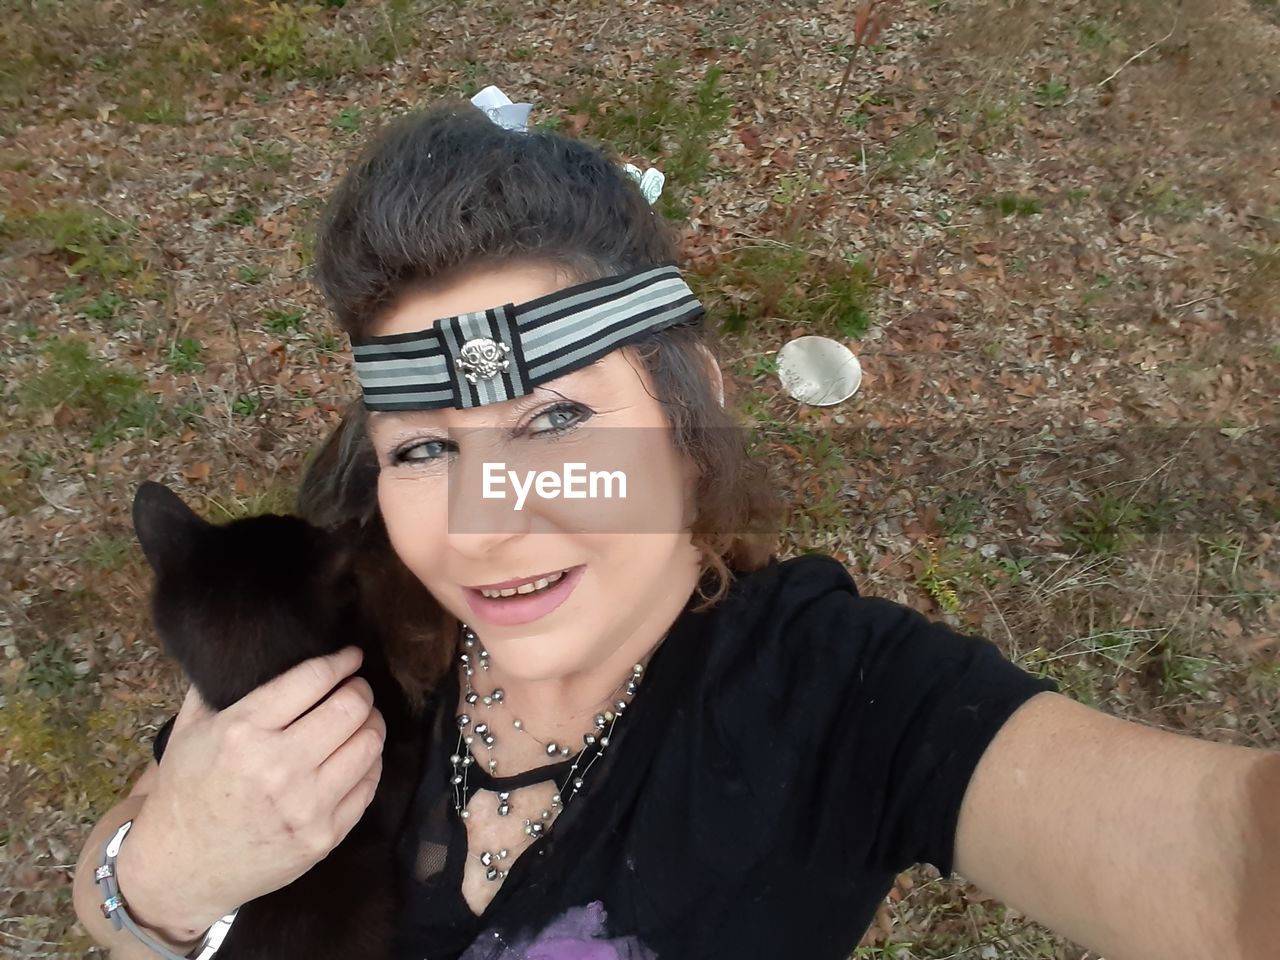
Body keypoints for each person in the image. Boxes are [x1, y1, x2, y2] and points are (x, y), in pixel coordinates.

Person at [73, 96, 1278, 960]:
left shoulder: (836, 699)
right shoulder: (337, 610)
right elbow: (114, 876)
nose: (487, 528)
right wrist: (165, 879)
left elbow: (1231, 871)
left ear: (690, 398)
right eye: (428, 448)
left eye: (553, 424)